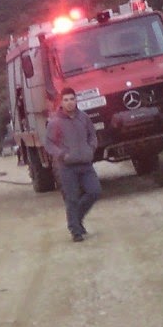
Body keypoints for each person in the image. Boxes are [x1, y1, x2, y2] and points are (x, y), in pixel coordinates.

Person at [45, 86, 101, 242]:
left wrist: (91, 149)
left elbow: (92, 135)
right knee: (72, 198)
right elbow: (49, 144)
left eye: (72, 99)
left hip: (86, 163)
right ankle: (75, 231)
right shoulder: (55, 122)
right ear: (61, 102)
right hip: (67, 167)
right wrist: (62, 154)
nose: (69, 103)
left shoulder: (84, 118)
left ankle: (77, 219)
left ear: (76, 100)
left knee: (94, 191)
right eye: (66, 100)